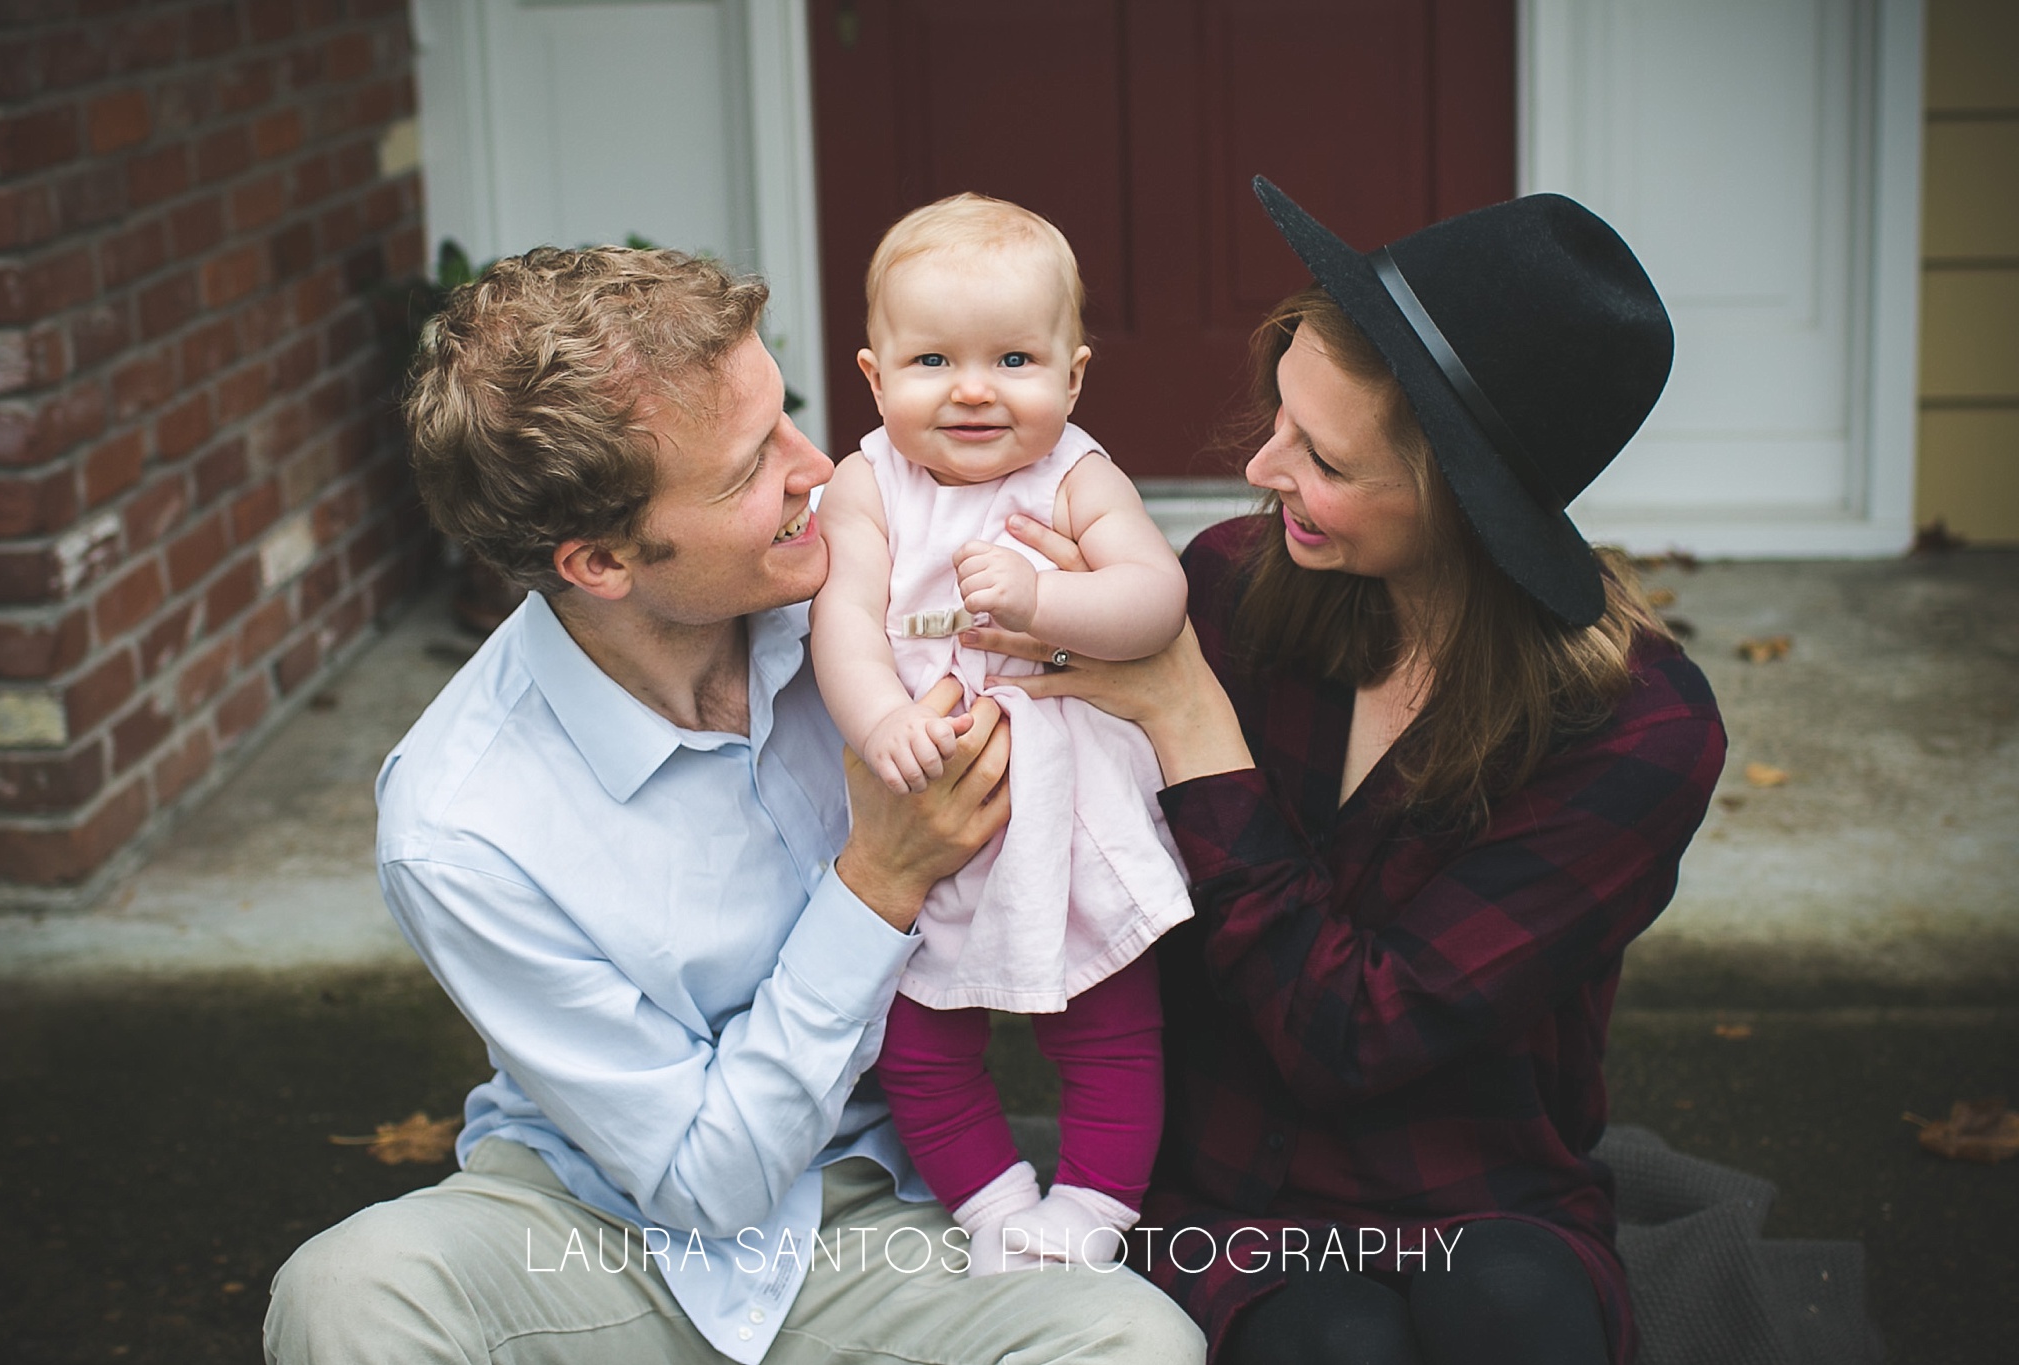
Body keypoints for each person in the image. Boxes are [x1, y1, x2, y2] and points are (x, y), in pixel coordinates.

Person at [261, 245, 1204, 1365]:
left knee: (1134, 1343)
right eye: (753, 464)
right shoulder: (459, 825)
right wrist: (878, 881)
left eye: (788, 416)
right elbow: (696, 1183)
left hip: (885, 1197)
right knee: (344, 1294)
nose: (820, 466)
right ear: (601, 560)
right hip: (593, 1228)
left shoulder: (882, 601)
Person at [966, 180, 1728, 1364]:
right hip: (1225, 1189)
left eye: (1321, 458)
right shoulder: (1224, 586)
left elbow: (1352, 1035)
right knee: (1329, 1345)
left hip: (1477, 1186)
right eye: (1278, 415)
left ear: (1466, 505)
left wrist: (1188, 723)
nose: (1263, 469)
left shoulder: (1630, 725)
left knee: (1515, 1315)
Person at [812, 194, 1193, 1276]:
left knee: (1107, 1027)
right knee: (919, 1042)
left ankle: (1090, 1208)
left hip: (1066, 804)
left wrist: (1043, 602)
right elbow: (841, 623)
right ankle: (986, 1203)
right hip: (926, 795)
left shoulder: (1075, 473)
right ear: (874, 377)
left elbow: (1152, 596)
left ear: (1071, 377)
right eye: (931, 360)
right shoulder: (864, 486)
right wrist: (879, 716)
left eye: (1014, 359)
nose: (974, 389)